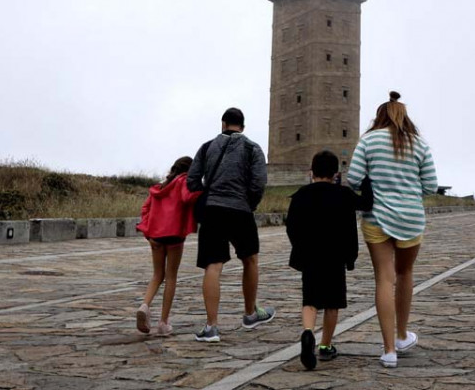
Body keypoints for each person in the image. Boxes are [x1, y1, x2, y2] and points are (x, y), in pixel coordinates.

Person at [347, 91, 438, 368]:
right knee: (405, 273)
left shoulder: (369, 140)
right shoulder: (419, 144)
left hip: (376, 219)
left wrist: (377, 185)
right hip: (411, 219)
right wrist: (409, 192)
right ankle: (401, 334)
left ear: (380, 116)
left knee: (384, 280)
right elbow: (431, 185)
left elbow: (352, 178)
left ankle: (388, 351)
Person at [186, 107, 273, 342]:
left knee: (213, 266)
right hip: (241, 210)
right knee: (250, 259)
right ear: (242, 127)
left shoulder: (206, 147)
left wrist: (208, 192)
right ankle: (249, 314)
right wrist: (249, 203)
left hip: (213, 210)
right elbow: (258, 183)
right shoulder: (253, 148)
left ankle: (212, 326)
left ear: (223, 124)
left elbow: (192, 180)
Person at [286, 150, 360, 370]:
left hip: (309, 255)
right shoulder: (344, 194)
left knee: (310, 300)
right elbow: (366, 204)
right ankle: (326, 346)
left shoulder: (300, 195)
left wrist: (299, 248)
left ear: (312, 172)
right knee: (332, 303)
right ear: (336, 174)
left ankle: (308, 333)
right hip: (336, 255)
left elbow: (291, 226)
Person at [135, 156, 200, 336]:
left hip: (155, 236)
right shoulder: (184, 181)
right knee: (171, 277)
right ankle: (163, 323)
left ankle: (145, 305)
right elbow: (188, 198)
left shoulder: (159, 187)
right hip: (174, 236)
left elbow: (145, 209)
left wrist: (148, 232)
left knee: (157, 274)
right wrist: (203, 187)